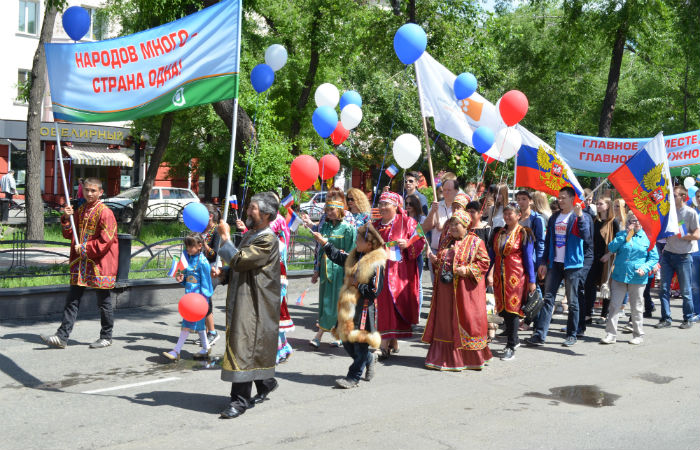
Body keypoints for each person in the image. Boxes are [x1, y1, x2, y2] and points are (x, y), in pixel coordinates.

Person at [215, 192, 281, 419]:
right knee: (252, 346)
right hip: (244, 296)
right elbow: (238, 265)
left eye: (253, 208)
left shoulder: (267, 239)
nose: (248, 211)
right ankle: (265, 382)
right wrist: (224, 273)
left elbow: (241, 260)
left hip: (256, 302)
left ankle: (239, 401)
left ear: (266, 214)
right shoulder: (252, 234)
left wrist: (225, 240)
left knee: (243, 346)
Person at [40, 178, 118, 349]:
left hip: (99, 264)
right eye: (87, 190)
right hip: (81, 263)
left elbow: (106, 241)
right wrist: (66, 217)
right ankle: (62, 336)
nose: (89, 194)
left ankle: (106, 336)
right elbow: (69, 234)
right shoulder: (81, 210)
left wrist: (84, 248)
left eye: (93, 191)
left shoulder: (106, 213)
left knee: (103, 302)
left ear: (100, 192)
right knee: (72, 300)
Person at [311, 223, 387, 388]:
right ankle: (368, 358)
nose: (356, 242)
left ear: (369, 244)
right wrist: (324, 242)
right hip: (348, 307)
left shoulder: (377, 263)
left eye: (359, 240)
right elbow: (338, 256)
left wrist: (357, 284)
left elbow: (375, 290)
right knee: (345, 339)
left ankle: (353, 377)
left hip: (364, 310)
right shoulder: (356, 256)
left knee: (359, 344)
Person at [423, 210, 492, 370]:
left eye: (457, 224)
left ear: (465, 225)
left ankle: (469, 358)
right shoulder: (446, 240)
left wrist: (467, 270)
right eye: (451, 224)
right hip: (445, 293)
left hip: (465, 292)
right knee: (445, 323)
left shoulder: (476, 242)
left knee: (466, 321)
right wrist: (435, 261)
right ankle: (442, 358)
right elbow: (443, 262)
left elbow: (484, 263)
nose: (453, 227)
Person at [525, 186, 590, 348]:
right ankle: (540, 335)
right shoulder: (554, 217)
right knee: (548, 299)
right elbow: (548, 242)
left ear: (572, 199)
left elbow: (586, 236)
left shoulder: (579, 216)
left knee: (573, 302)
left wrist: (580, 216)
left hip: (572, 265)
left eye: (563, 198)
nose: (559, 200)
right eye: (558, 198)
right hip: (554, 264)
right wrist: (543, 262)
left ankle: (572, 334)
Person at [373, 191, 424, 358]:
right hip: (379, 271)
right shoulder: (375, 225)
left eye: (386, 204)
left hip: (399, 272)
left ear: (396, 206)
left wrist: (407, 244)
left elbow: (421, 240)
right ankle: (388, 341)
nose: (382, 207)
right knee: (382, 307)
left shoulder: (408, 222)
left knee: (393, 306)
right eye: (380, 204)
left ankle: (386, 342)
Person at [600, 212, 659, 345]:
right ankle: (610, 334)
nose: (635, 223)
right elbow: (611, 248)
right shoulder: (621, 235)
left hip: (637, 277)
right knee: (614, 306)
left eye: (638, 221)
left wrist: (644, 268)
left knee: (636, 307)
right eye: (632, 221)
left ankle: (638, 334)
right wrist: (626, 234)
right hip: (620, 275)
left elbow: (654, 258)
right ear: (627, 222)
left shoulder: (647, 237)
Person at [491, 203, 536, 361]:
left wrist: (532, 280)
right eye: (505, 213)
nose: (507, 216)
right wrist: (488, 273)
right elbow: (493, 256)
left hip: (516, 277)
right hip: (499, 278)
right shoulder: (499, 232)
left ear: (519, 216)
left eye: (511, 214)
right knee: (503, 311)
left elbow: (528, 259)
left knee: (513, 311)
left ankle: (511, 345)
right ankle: (514, 340)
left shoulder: (524, 233)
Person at [310, 198, 357, 348]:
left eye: (332, 209)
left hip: (339, 269)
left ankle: (333, 334)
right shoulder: (325, 227)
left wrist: (350, 273)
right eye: (327, 210)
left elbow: (352, 252)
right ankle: (323, 334)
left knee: (337, 302)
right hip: (325, 269)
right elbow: (319, 251)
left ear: (340, 210)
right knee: (325, 302)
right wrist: (316, 270)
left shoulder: (348, 228)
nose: (328, 212)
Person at [162, 233, 214, 360]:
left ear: (200, 246)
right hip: (189, 298)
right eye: (187, 246)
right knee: (200, 326)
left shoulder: (203, 262)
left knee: (186, 325)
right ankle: (206, 348)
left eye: (191, 246)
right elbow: (187, 280)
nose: (188, 249)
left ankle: (176, 351)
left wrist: (204, 301)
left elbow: (207, 283)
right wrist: (181, 280)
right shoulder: (189, 260)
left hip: (198, 301)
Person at [655, 185, 700, 329]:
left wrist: (684, 236)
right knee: (664, 288)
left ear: (683, 196)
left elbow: (697, 235)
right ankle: (665, 318)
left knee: (686, 290)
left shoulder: (690, 213)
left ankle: (687, 318)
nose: (671, 198)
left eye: (674, 195)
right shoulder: (669, 212)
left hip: (683, 256)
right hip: (668, 253)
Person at [585, 198, 619, 324]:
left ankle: (604, 314)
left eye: (600, 204)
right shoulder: (594, 220)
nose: (598, 206)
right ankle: (587, 314)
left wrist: (609, 254)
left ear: (607, 206)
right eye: (597, 204)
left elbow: (618, 241)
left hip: (607, 258)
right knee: (589, 286)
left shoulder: (613, 222)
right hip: (592, 257)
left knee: (605, 286)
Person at [423, 178, 459, 280]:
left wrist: (444, 227)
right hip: (435, 252)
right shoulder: (437, 206)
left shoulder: (460, 208)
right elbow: (425, 228)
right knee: (435, 287)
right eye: (444, 190)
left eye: (449, 190)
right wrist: (432, 212)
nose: (446, 192)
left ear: (456, 191)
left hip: (452, 252)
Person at [200, 203, 222, 348]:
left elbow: (215, 253)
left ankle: (212, 332)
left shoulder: (216, 231)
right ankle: (206, 333)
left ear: (210, 216)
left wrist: (203, 243)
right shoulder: (200, 229)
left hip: (213, 268)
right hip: (200, 269)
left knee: (204, 298)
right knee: (202, 299)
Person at [515, 190, 546, 269]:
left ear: (531, 201)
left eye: (524, 199)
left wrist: (539, 264)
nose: (521, 202)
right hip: (516, 258)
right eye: (518, 199)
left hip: (530, 259)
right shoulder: (515, 217)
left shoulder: (537, 219)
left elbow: (540, 243)